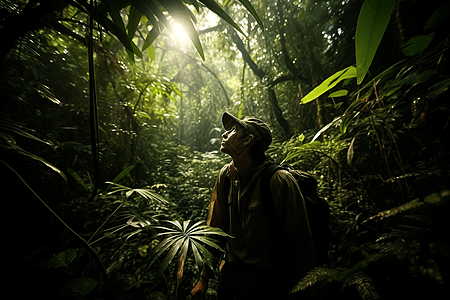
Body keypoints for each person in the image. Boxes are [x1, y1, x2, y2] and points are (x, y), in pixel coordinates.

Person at [190, 112, 315, 300]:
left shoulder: (279, 181)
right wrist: (204, 278)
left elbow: (300, 244)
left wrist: (304, 290)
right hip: (230, 282)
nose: (225, 135)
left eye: (234, 130)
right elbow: (215, 229)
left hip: (268, 286)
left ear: (247, 140)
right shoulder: (226, 176)